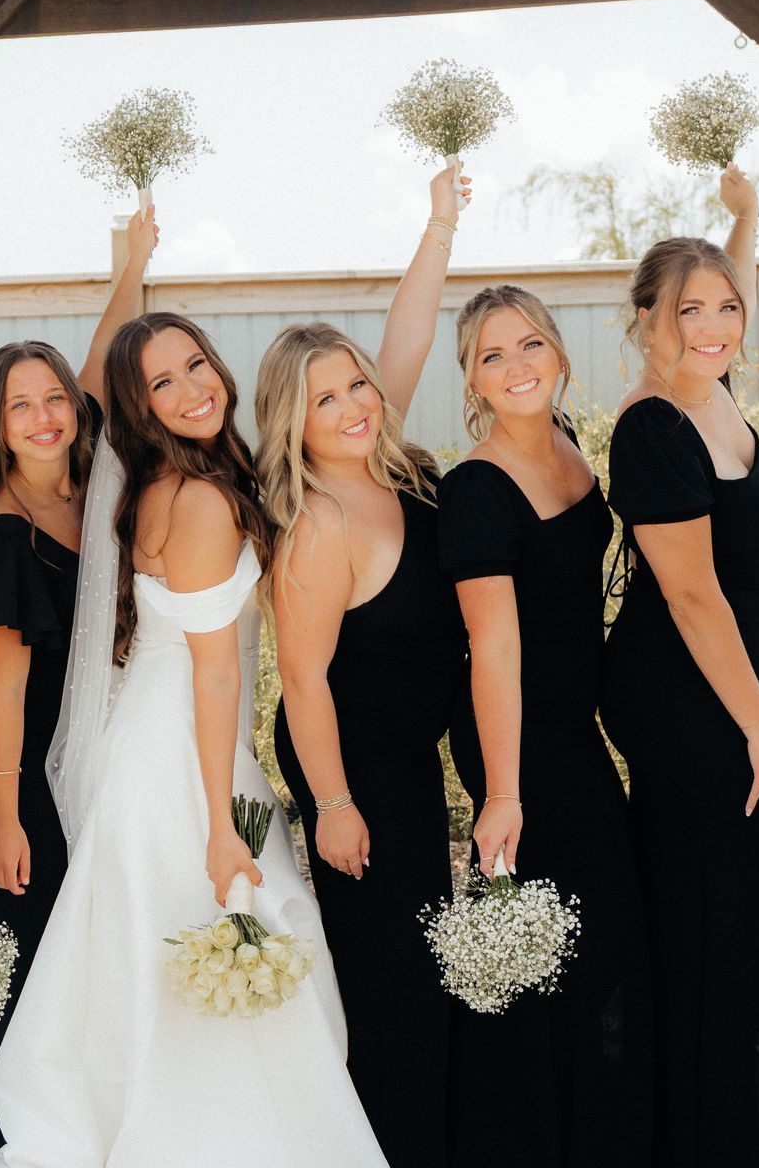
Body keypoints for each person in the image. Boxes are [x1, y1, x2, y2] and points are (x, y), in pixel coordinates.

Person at [0, 308, 386, 1168]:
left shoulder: (170, 486)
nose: (191, 390)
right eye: (160, 384)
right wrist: (220, 823)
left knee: (169, 958)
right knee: (214, 935)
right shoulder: (203, 498)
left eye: (196, 365)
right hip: (183, 754)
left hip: (164, 737)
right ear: (138, 410)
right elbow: (215, 673)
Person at [599, 166, 759, 1166]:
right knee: (752, 895)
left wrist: (740, 220)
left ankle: (729, 1119)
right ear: (646, 322)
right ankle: (718, 1132)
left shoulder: (714, 390)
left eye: (727, 307)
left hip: (721, 694)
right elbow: (693, 596)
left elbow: (717, 310)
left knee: (736, 905)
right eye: (687, 309)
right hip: (681, 696)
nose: (713, 322)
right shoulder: (652, 425)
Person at [253, 164, 469, 1166]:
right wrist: (333, 802)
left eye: (355, 384)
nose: (349, 403)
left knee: (423, 963)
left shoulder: (396, 466)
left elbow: (411, 337)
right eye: (322, 396)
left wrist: (437, 225)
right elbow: (300, 681)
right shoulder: (318, 523)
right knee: (392, 977)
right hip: (356, 768)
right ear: (289, 421)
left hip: (407, 760)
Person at [0, 208, 158, 1143]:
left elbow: (104, 352)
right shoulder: (4, 532)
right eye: (19, 405)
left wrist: (136, 260)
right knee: (53, 950)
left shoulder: (88, 482)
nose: (44, 416)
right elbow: (7, 690)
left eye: (55, 399)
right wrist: (2, 816)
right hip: (29, 768)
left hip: (105, 742)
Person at [437, 283, 656, 1166]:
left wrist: (743, 225)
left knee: (587, 938)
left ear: (560, 355)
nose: (516, 366)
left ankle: (585, 1127)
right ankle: (524, 1140)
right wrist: (501, 794)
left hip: (570, 727)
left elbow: (679, 348)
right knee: (547, 945)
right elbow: (492, 647)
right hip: (516, 741)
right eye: (492, 356)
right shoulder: (478, 489)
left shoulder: (570, 445)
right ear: (473, 382)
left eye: (529, 345)